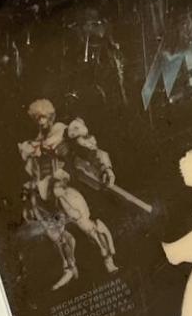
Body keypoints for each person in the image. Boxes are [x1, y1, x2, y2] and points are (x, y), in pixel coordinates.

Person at [19, 98, 118, 290]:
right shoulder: (32, 144)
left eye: (45, 117)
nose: (42, 121)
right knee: (55, 233)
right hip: (45, 192)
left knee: (83, 223)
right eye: (37, 118)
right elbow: (34, 173)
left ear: (51, 116)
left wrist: (105, 168)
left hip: (64, 184)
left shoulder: (65, 131)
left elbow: (92, 150)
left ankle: (108, 257)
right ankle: (70, 269)